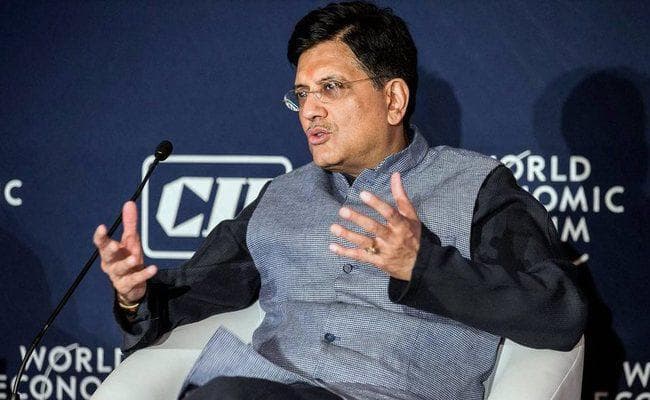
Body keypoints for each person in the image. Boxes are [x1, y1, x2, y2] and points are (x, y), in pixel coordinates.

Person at [93, 2, 587, 399]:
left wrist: (423, 266)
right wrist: (135, 295)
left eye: (330, 88)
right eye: (301, 94)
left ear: (393, 100)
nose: (309, 110)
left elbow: (558, 310)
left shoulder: (476, 188)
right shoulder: (281, 197)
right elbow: (192, 296)